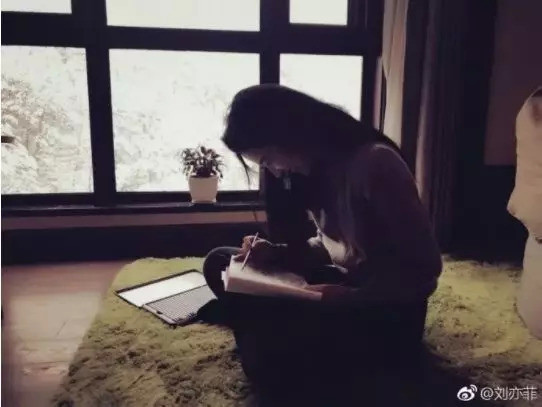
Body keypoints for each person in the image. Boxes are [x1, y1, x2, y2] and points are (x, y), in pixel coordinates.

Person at [200, 84, 442, 404]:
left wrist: (350, 298)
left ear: (292, 133)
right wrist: (275, 254)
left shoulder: (375, 164)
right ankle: (259, 320)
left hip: (385, 310)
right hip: (343, 287)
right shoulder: (313, 172)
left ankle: (257, 323)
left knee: (264, 361)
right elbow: (332, 246)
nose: (275, 172)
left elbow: (425, 270)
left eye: (270, 159)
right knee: (219, 260)